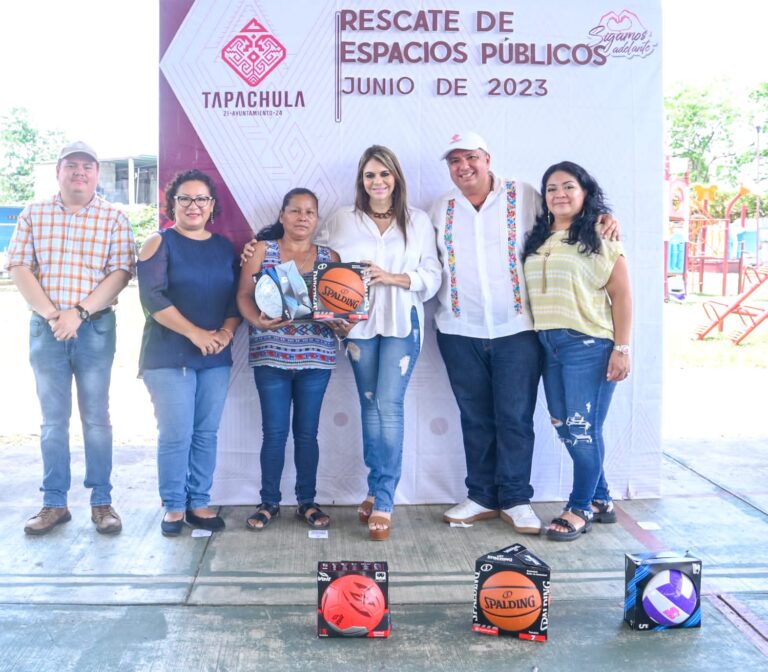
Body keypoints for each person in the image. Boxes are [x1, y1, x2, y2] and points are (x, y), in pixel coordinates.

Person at [429, 131, 619, 534]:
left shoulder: (526, 194)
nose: (464, 167)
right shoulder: (438, 209)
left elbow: (567, 217)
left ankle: (516, 499)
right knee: (475, 417)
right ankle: (480, 495)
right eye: (454, 161)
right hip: (458, 330)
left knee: (514, 417)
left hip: (518, 329)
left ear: (487, 158)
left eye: (471, 158)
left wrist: (603, 217)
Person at [5, 141, 135, 536]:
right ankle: (54, 503)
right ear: (58, 172)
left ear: (97, 174)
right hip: (46, 328)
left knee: (97, 420)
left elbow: (121, 272)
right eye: (72, 165)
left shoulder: (114, 217)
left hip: (94, 327)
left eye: (87, 166)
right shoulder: (34, 213)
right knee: (52, 422)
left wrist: (78, 313)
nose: (80, 172)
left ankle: (101, 502)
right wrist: (53, 315)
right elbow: (19, 265)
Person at [318, 145, 442, 541]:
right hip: (358, 328)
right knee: (369, 405)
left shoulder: (417, 221)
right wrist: (262, 245)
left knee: (388, 405)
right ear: (361, 181)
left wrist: (392, 277)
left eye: (384, 174)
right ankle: (374, 488)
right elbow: (316, 257)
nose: (378, 182)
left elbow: (432, 275)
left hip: (402, 323)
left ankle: (385, 499)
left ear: (396, 178)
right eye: (370, 175)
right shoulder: (343, 219)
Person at [522, 161, 632, 541]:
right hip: (547, 345)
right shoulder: (538, 238)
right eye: (551, 188)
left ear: (585, 192)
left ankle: (579, 507)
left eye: (569, 186)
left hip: (588, 344)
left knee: (583, 431)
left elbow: (621, 295)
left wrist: (622, 348)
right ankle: (601, 499)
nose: (560, 194)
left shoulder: (600, 236)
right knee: (565, 428)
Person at [138, 169, 241, 537]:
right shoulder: (159, 242)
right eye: (185, 198)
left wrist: (227, 332)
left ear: (212, 206)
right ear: (173, 204)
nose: (194, 205)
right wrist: (196, 334)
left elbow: (234, 299)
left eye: (201, 199)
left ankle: (199, 501)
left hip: (215, 355)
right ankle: (173, 506)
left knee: (205, 433)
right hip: (169, 355)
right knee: (176, 435)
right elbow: (152, 298)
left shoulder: (223, 247)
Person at [236, 188, 339, 531]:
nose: (302, 217)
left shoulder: (330, 257)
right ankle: (269, 502)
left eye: (310, 212)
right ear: (282, 215)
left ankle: (306, 502)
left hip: (316, 356)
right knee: (275, 433)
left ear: (317, 219)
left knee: (308, 434)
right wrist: (256, 320)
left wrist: (342, 320)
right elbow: (243, 295)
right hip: (270, 354)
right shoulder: (262, 251)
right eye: (295, 211)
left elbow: (339, 308)